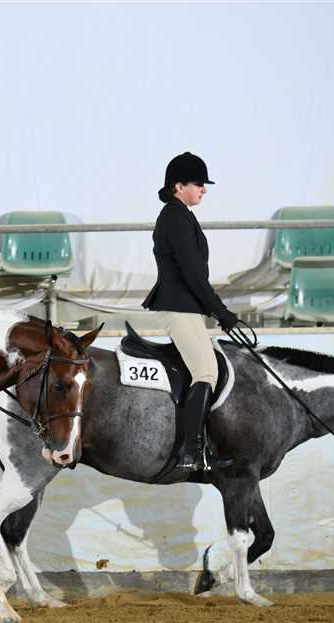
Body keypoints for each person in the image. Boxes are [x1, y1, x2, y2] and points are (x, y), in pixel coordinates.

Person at [142, 152, 239, 471]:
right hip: (178, 306)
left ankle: (200, 447)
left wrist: (215, 311)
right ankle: (191, 453)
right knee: (206, 372)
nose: (204, 189)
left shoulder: (181, 214)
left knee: (209, 370)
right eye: (198, 183)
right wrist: (220, 311)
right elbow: (193, 274)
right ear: (178, 186)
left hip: (186, 306)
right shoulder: (174, 217)